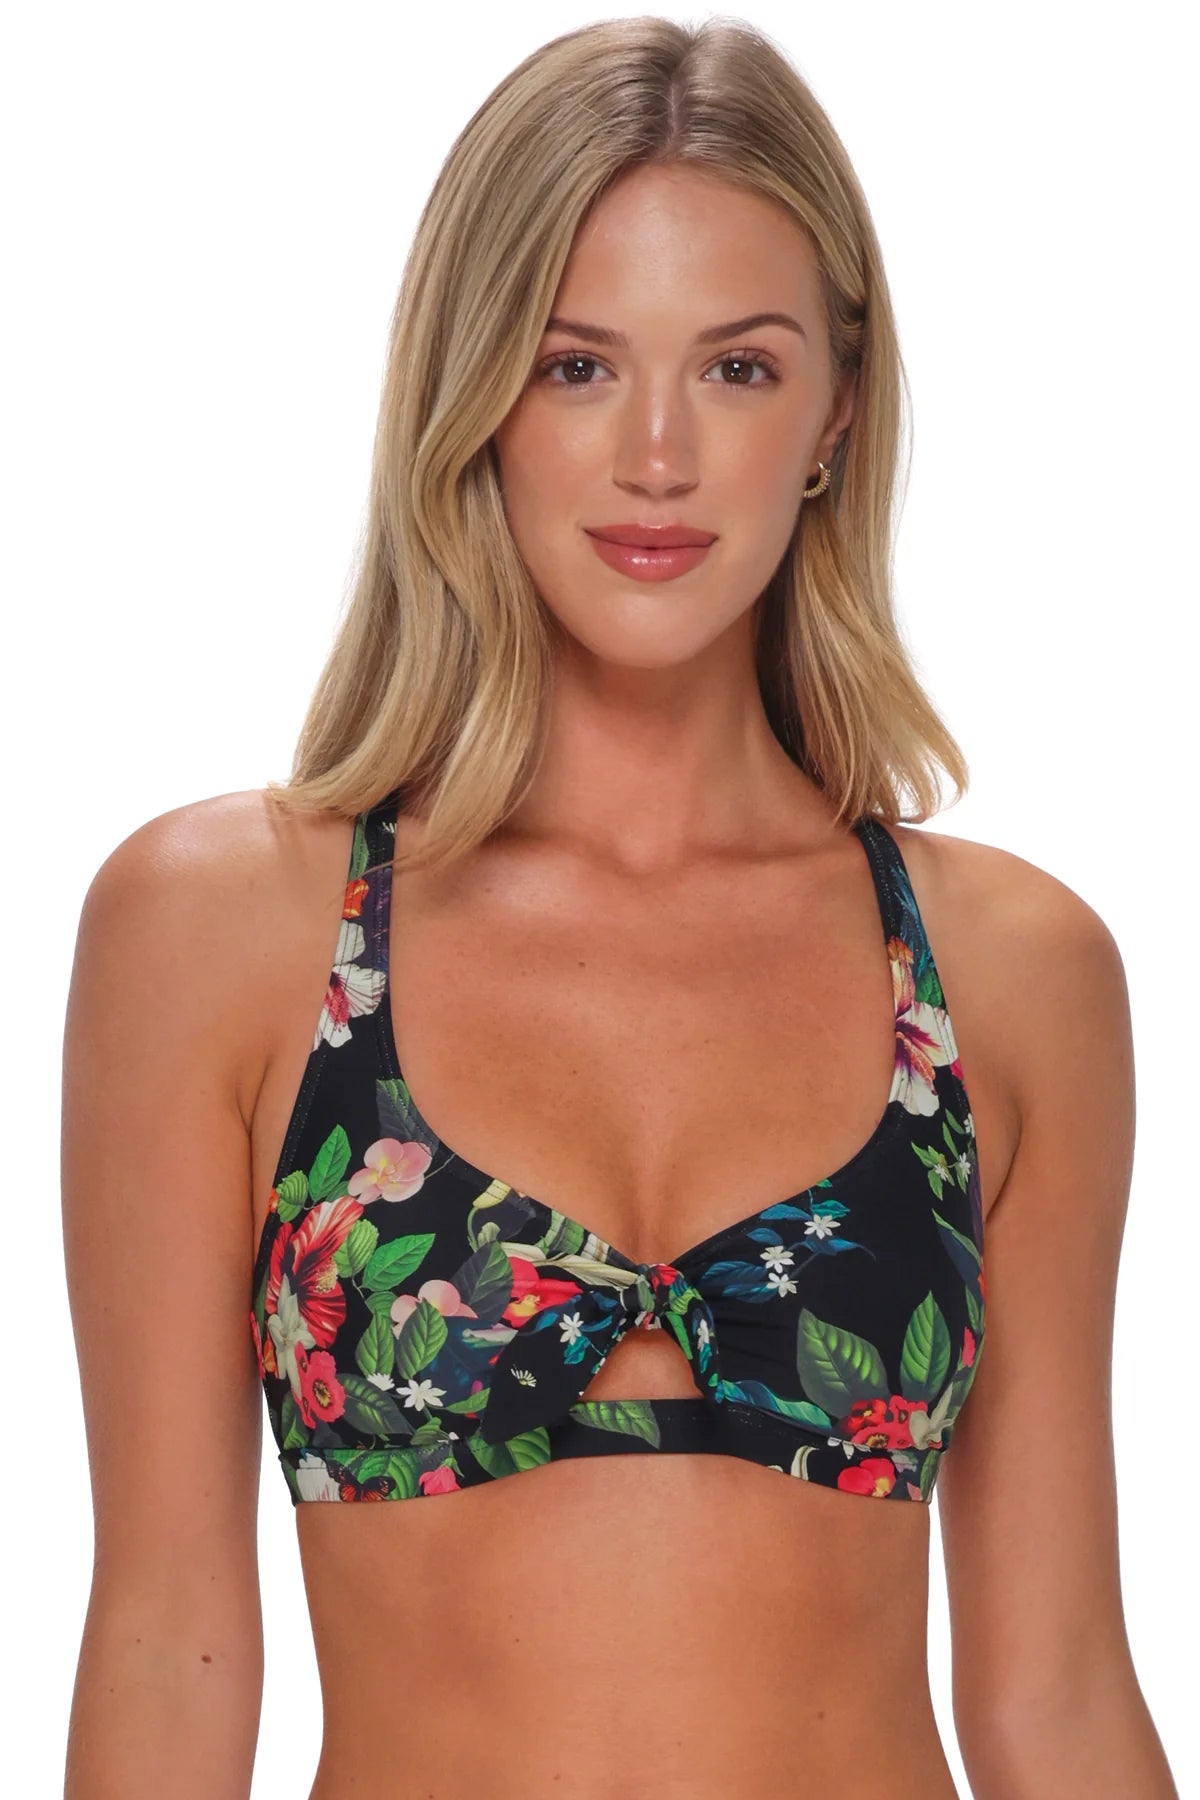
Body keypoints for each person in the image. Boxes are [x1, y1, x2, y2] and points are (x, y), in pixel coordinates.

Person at [60, 15, 1178, 1800]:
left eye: (736, 368)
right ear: (475, 396)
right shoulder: (224, 937)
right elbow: (170, 1646)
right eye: (576, 365)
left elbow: (1052, 1690)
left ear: (834, 414)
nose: (658, 454)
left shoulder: (1008, 973)